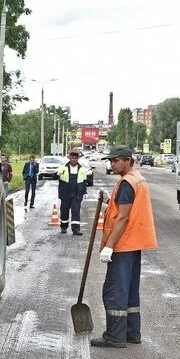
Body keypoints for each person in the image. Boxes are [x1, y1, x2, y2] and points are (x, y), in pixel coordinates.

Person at [91, 146, 158, 348]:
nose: (112, 164)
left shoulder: (127, 183)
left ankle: (115, 336)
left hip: (123, 243)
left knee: (114, 290)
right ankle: (131, 333)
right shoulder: (136, 179)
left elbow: (123, 217)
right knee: (129, 289)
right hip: (133, 244)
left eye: (116, 160)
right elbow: (120, 210)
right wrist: (107, 205)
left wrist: (109, 246)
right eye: (111, 160)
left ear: (128, 161)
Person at [57, 151, 89, 235]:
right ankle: (63, 227)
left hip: (77, 193)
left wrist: (84, 192)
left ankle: (76, 229)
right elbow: (57, 176)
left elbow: (84, 182)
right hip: (65, 193)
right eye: (72, 158)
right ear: (69, 158)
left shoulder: (82, 169)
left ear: (78, 159)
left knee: (76, 211)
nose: (74, 160)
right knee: (64, 210)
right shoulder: (63, 167)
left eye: (76, 158)